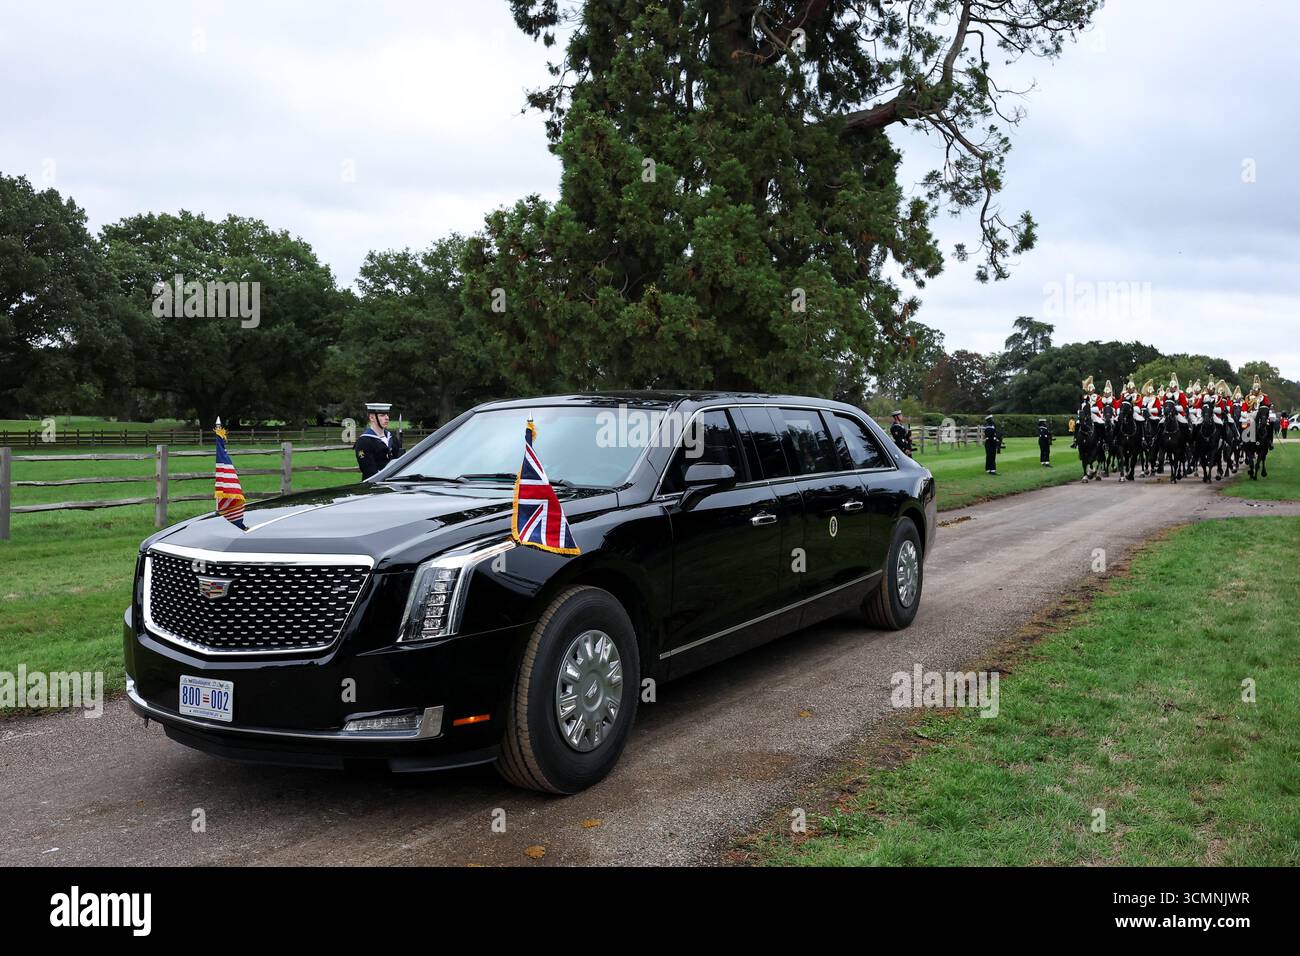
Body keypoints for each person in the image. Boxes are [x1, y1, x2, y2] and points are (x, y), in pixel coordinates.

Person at [353, 402, 405, 479]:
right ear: (372, 418)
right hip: (374, 486)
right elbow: (369, 471)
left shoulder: (392, 437)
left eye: (387, 414)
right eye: (382, 415)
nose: (387, 418)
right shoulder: (364, 441)